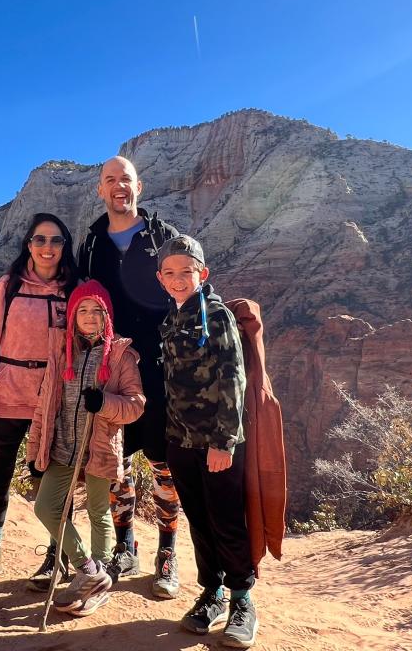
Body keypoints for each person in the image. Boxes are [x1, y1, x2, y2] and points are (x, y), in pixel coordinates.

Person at [77, 155, 182, 598]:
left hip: (160, 369)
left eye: (126, 180)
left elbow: (189, 289)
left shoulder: (164, 237)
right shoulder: (91, 246)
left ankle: (168, 554)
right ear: (100, 190)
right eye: (110, 180)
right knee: (116, 461)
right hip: (112, 369)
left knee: (163, 463)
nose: (118, 187)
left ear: (140, 187)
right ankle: (125, 546)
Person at [0, 213, 78, 589]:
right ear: (28, 244)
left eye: (56, 241)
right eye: (40, 240)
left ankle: (56, 558)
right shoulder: (8, 286)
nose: (48, 248)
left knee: (52, 482)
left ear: (65, 246)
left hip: (53, 401)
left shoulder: (74, 289)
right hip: (7, 394)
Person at [156, 234, 259, 648]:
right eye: (171, 273)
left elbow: (234, 378)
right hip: (179, 442)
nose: (179, 279)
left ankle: (242, 600)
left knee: (227, 521)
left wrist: (224, 442)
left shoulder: (215, 316)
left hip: (216, 443)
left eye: (187, 271)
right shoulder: (171, 318)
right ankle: (211, 594)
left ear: (203, 273)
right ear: (160, 278)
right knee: (199, 521)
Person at [27, 280, 145, 615]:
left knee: (98, 511)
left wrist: (104, 402)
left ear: (107, 315)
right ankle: (89, 570)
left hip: (100, 447)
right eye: (84, 310)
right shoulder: (63, 351)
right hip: (62, 444)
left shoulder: (122, 354)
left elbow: (135, 405)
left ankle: (100, 573)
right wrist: (35, 448)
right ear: (74, 316)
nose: (90, 317)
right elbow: (44, 404)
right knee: (46, 508)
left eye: (97, 310)